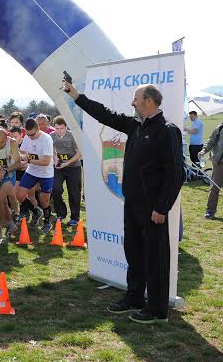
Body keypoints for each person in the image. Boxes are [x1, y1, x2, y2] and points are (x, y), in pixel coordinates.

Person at [63, 79, 184, 324]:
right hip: (132, 205)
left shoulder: (167, 130)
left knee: (156, 259)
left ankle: (157, 309)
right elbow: (105, 115)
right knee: (134, 254)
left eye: (136, 99)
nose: (132, 103)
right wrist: (76, 96)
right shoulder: (135, 125)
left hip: (154, 209)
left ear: (148, 101)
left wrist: (161, 207)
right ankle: (135, 297)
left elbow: (176, 173)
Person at [16, 118, 55, 234]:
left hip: (46, 173)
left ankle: (47, 222)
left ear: (38, 128)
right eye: (28, 135)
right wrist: (23, 156)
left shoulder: (46, 139)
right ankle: (36, 211)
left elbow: (46, 162)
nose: (31, 137)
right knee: (20, 195)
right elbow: (22, 151)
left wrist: (28, 161)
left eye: (32, 134)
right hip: (32, 171)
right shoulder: (28, 137)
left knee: (44, 201)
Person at [50, 116, 82, 226]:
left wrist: (67, 163)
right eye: (57, 128)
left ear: (66, 127)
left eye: (61, 128)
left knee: (74, 192)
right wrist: (55, 158)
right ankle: (61, 214)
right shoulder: (51, 136)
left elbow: (79, 153)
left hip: (74, 167)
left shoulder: (72, 136)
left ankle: (75, 218)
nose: (59, 131)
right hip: (59, 167)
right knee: (55, 188)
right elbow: (51, 149)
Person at [199, 121, 223, 219]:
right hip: (219, 162)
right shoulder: (220, 128)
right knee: (214, 188)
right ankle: (210, 211)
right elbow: (211, 141)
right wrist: (203, 151)